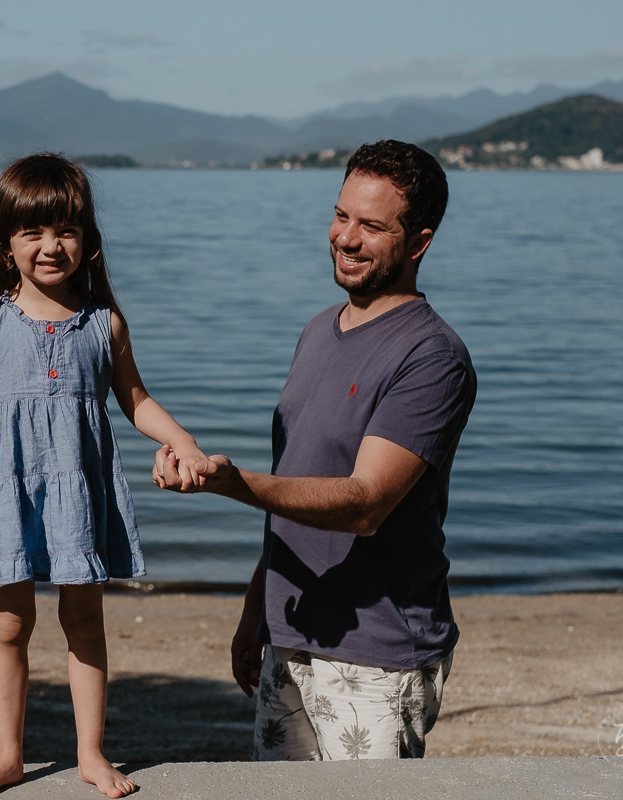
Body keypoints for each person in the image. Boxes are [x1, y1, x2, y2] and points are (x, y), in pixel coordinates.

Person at [155, 140, 476, 761]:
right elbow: (298, 483)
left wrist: (232, 483)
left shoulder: (432, 357)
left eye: (372, 226)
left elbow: (365, 503)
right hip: (290, 633)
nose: (346, 238)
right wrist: (257, 608)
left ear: (419, 242)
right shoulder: (317, 330)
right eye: (341, 215)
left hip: (377, 651)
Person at [0, 153, 206, 798]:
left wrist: (182, 440)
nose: (50, 246)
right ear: (5, 242)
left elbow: (136, 400)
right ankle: (8, 756)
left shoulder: (104, 324)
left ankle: (91, 753)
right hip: (7, 489)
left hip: (78, 490)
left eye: (65, 230)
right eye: (33, 232)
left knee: (85, 620)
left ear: (87, 239)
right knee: (8, 624)